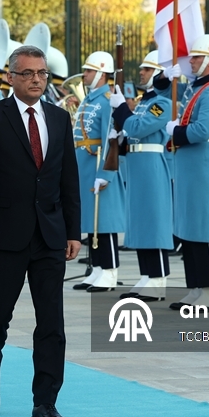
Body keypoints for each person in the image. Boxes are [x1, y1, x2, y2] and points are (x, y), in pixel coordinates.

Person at [0, 45, 81, 417]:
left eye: (42, 74)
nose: (36, 80)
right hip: (2, 238)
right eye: (28, 73)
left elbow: (68, 180)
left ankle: (45, 402)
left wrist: (72, 231)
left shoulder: (59, 119)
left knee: (52, 324)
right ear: (11, 77)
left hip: (48, 236)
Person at [166, 34, 209, 309]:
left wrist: (175, 132)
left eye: (196, 57)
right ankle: (195, 286)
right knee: (187, 225)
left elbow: (202, 130)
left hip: (202, 162)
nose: (190, 61)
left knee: (203, 226)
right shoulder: (195, 88)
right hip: (188, 163)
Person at [110, 53, 174, 301]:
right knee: (140, 219)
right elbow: (131, 130)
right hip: (137, 163)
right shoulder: (145, 102)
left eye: (148, 69)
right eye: (143, 69)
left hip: (151, 163)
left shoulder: (162, 103)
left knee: (153, 220)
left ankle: (158, 278)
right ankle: (147, 274)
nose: (142, 73)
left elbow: (138, 127)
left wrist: (123, 109)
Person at [72, 51, 126, 293]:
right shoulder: (89, 99)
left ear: (102, 74)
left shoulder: (106, 100)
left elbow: (110, 139)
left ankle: (110, 271)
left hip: (100, 166)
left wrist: (108, 172)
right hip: (85, 166)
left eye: (89, 71)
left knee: (104, 222)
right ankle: (97, 269)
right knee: (91, 222)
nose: (85, 75)